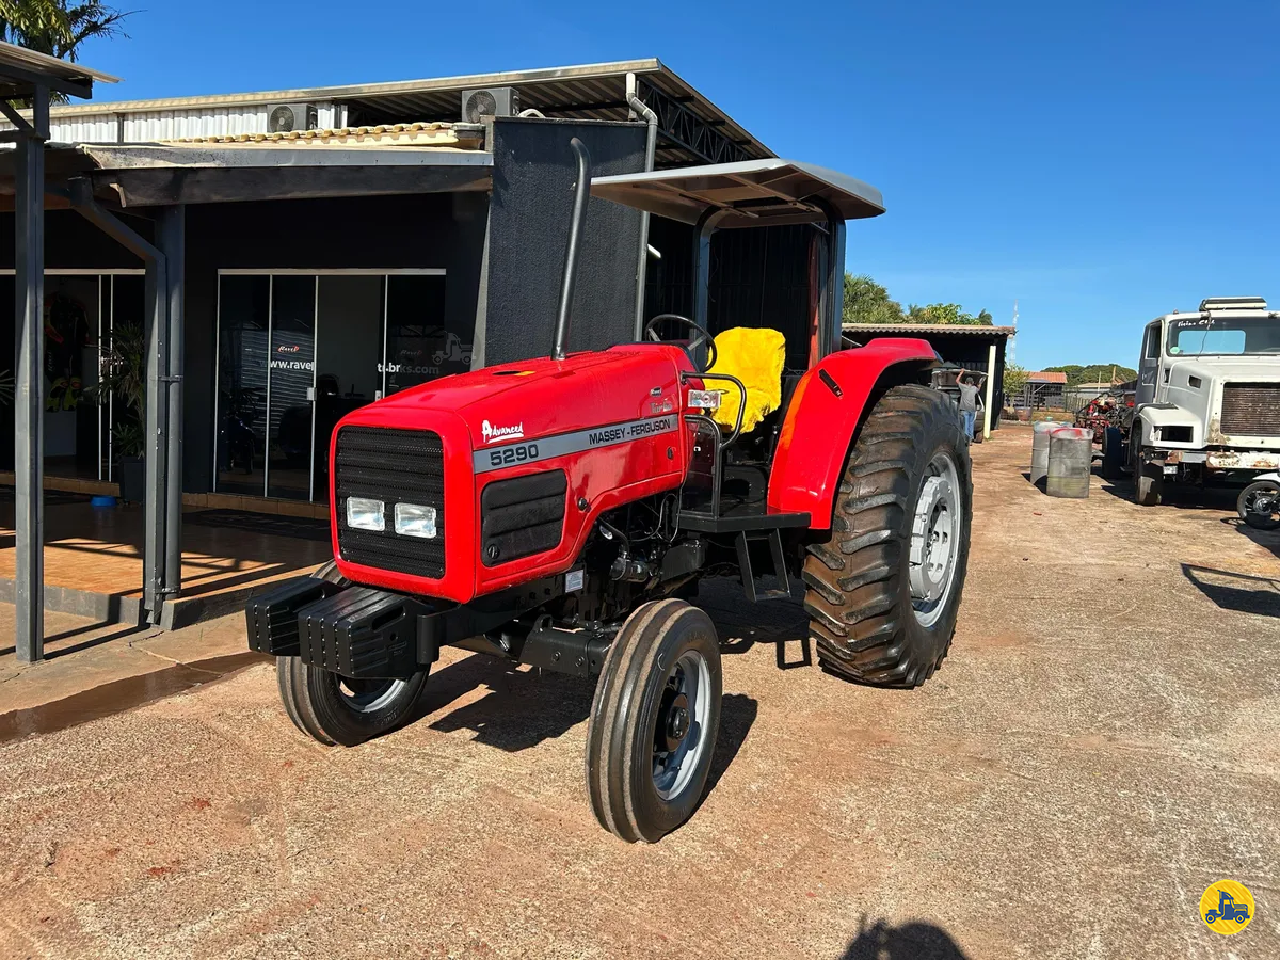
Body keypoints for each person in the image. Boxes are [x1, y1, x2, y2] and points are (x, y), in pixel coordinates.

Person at [954, 369, 985, 440]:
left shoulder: (963, 387)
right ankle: (970, 439)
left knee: (966, 425)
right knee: (971, 425)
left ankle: (967, 440)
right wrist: (980, 384)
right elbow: (979, 388)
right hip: (972, 410)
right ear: (972, 382)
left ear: (965, 382)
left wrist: (961, 373)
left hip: (964, 409)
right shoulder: (974, 388)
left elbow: (957, 381)